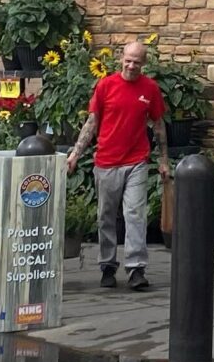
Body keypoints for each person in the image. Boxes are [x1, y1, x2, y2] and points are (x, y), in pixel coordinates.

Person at [69, 39, 169, 291]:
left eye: (137, 61)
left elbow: (158, 125)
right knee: (106, 217)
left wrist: (163, 159)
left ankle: (136, 268)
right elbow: (92, 123)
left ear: (144, 63)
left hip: (137, 161)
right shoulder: (106, 86)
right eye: (128, 60)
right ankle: (107, 266)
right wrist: (75, 154)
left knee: (135, 214)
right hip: (106, 161)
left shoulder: (150, 89)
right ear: (121, 58)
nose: (131, 65)